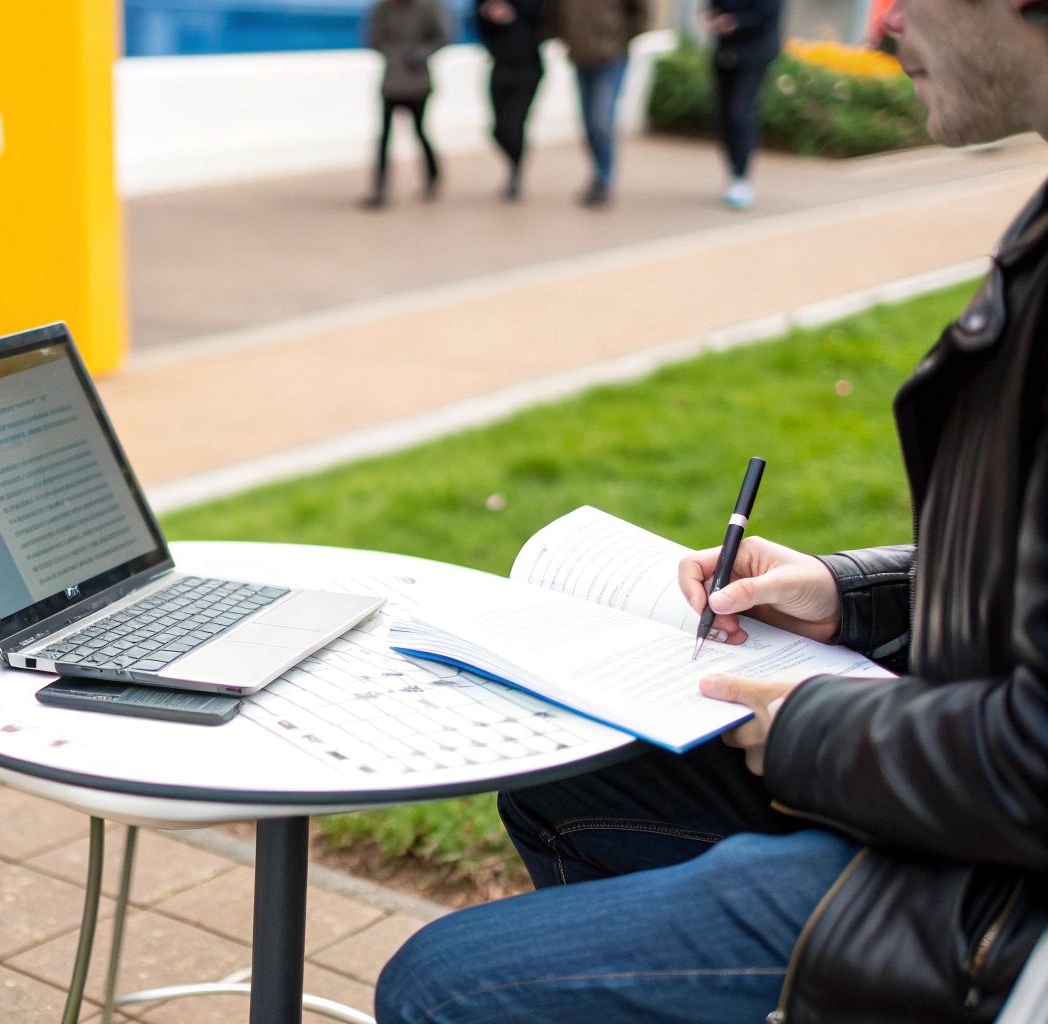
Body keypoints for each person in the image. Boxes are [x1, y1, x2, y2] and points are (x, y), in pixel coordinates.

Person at [375, 1, 1048, 1020]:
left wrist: (815, 727)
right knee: (569, 787)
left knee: (438, 984)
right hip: (975, 832)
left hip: (1002, 912)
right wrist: (843, 596)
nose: (882, 21)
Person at [556, 0, 650, 208]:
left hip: (611, 59)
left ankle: (604, 180)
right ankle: (597, 176)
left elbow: (640, 14)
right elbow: (555, 14)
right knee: (589, 121)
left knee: (601, 119)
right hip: (581, 59)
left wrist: (618, 41)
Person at [361, 0, 450, 210]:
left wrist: (421, 53)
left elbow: (443, 36)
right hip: (392, 80)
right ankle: (380, 188)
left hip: (418, 81)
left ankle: (432, 177)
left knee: (419, 131)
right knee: (384, 135)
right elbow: (372, 38)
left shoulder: (429, 7)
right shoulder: (383, 8)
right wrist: (394, 53)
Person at [706, 0, 784, 210]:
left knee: (739, 113)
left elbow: (767, 12)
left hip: (755, 53)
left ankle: (741, 175)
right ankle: (733, 173)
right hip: (726, 50)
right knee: (724, 115)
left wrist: (736, 22)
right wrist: (714, 18)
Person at [475, 0, 551, 202]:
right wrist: (487, 15)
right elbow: (479, 26)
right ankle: (514, 166)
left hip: (528, 67)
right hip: (500, 68)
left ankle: (516, 175)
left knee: (514, 125)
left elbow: (545, 22)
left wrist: (513, 16)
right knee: (498, 129)